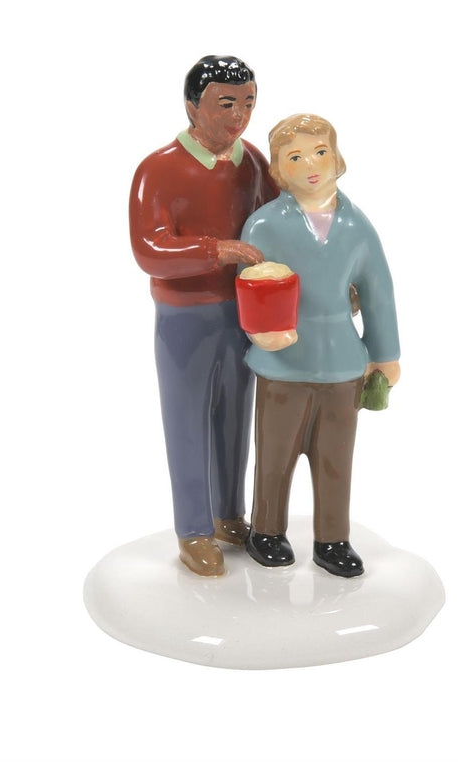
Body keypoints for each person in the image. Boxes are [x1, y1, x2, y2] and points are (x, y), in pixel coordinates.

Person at [129, 56, 279, 576]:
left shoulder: (252, 162)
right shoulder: (158, 169)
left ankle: (229, 514)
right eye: (226, 104)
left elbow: (277, 226)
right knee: (186, 419)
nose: (240, 115)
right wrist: (218, 250)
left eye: (248, 103)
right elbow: (149, 249)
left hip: (245, 309)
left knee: (236, 414)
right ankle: (193, 528)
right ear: (193, 107)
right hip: (184, 316)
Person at [240, 114, 401, 577]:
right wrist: (260, 331)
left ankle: (333, 538)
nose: (310, 165)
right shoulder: (264, 226)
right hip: (283, 361)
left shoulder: (357, 226)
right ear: (278, 169)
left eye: (320, 152)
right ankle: (266, 528)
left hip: (340, 362)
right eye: (295, 157)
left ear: (336, 157)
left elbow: (378, 291)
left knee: (336, 458)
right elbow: (249, 286)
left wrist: (385, 354)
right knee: (275, 453)